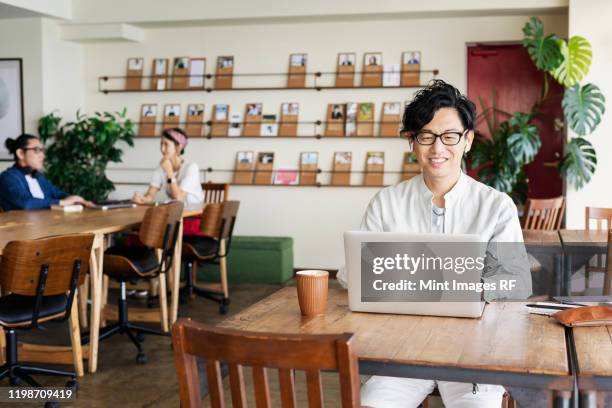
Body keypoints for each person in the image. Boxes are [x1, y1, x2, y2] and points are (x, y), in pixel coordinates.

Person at [337, 80, 531, 408]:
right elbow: (349, 275)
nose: (437, 148)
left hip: (474, 352)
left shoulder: (496, 206)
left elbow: (517, 282)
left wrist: (464, 287)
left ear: (467, 140)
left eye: (450, 136)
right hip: (400, 349)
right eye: (425, 136)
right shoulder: (387, 203)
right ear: (411, 142)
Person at [0, 134, 93, 211]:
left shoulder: (38, 177)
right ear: (20, 153)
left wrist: (78, 200)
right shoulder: (7, 178)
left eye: (42, 151)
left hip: (47, 224)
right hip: (22, 230)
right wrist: (62, 202)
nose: (43, 156)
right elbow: (27, 202)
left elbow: (58, 194)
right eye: (37, 150)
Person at [132, 128, 203, 206]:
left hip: (193, 213)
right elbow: (151, 194)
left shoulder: (191, 168)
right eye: (161, 144)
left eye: (166, 144)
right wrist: (142, 199)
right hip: (175, 213)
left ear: (179, 147)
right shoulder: (161, 167)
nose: (162, 149)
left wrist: (169, 172)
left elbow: (179, 198)